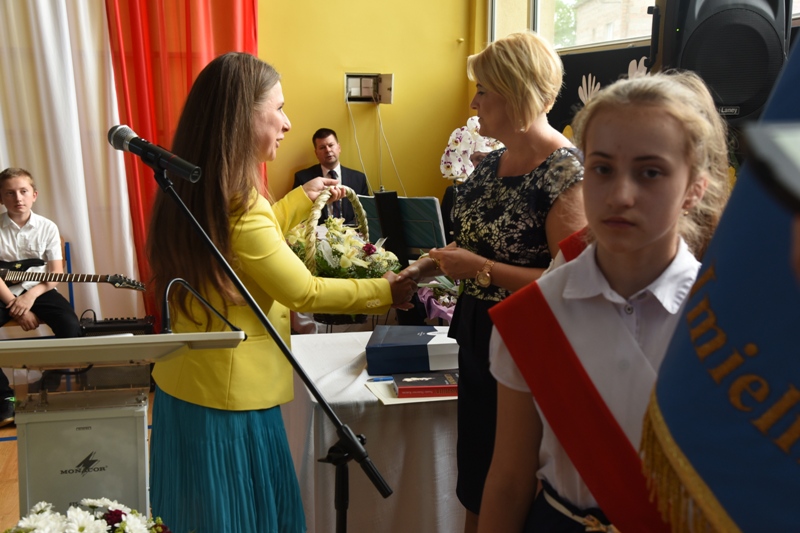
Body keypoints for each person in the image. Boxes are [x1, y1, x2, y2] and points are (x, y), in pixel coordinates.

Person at [145, 52, 416, 533]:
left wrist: (295, 201)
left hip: (184, 387)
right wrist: (386, 291)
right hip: (232, 403)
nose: (288, 124)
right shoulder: (241, 204)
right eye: (279, 109)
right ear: (242, 118)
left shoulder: (194, 190)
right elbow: (303, 291)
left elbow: (240, 243)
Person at [479, 71, 730, 532]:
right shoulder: (534, 315)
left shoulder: (728, 317)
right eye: (602, 168)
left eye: (650, 172)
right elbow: (509, 480)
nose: (620, 196)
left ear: (695, 187)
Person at [399, 31, 586, 533]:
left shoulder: (564, 173)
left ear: (516, 92)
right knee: (478, 473)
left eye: (483, 90)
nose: (473, 102)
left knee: (518, 478)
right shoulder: (488, 166)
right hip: (477, 334)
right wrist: (420, 269)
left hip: (531, 340)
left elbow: (569, 282)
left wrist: (481, 269)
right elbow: (467, 248)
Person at [0, 167, 82, 428]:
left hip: (41, 289)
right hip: (3, 292)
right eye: (10, 193)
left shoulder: (47, 227)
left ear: (34, 195)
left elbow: (56, 273)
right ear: (1, 198)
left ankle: (49, 382)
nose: (18, 198)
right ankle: (4, 399)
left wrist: (30, 298)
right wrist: (16, 306)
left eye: (23, 191)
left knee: (71, 327)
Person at [293, 128, 369, 226]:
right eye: (322, 147)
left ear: (339, 147)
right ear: (316, 153)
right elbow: (297, 214)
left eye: (331, 145)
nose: (328, 150)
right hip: (317, 233)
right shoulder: (303, 178)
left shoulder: (359, 178)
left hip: (352, 232)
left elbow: (366, 213)